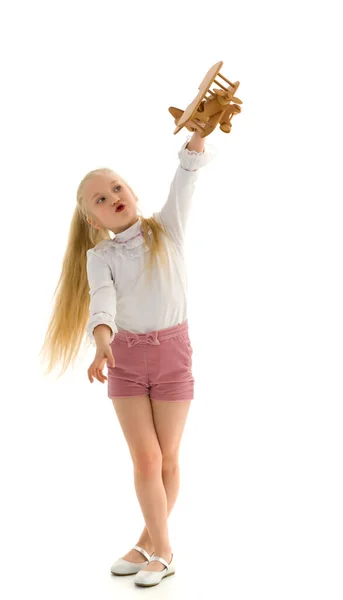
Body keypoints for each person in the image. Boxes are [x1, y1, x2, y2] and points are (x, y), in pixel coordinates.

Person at [39, 125, 217, 587]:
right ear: (93, 221)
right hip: (124, 360)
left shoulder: (168, 230)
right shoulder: (100, 257)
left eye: (116, 187)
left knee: (168, 457)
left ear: (132, 192)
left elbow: (186, 178)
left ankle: (149, 545)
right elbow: (102, 301)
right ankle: (165, 550)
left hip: (174, 353)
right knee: (145, 459)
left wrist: (197, 137)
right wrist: (101, 343)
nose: (112, 196)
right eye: (99, 198)